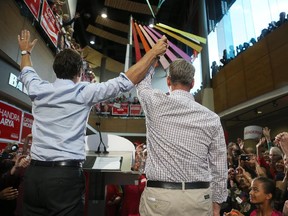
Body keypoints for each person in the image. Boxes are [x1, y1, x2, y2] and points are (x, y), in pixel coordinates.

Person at [17, 29, 167, 216]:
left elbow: (26, 71)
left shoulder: (38, 89)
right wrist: (153, 53)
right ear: (80, 72)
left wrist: (25, 52)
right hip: (64, 178)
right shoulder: (83, 92)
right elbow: (124, 82)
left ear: (55, 70)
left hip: (34, 176)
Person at [136, 59, 228, 216]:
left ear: (168, 81)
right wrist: (217, 203)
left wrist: (153, 61)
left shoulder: (155, 103)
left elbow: (141, 85)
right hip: (198, 198)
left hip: (159, 197)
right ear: (192, 83)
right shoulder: (211, 118)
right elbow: (219, 167)